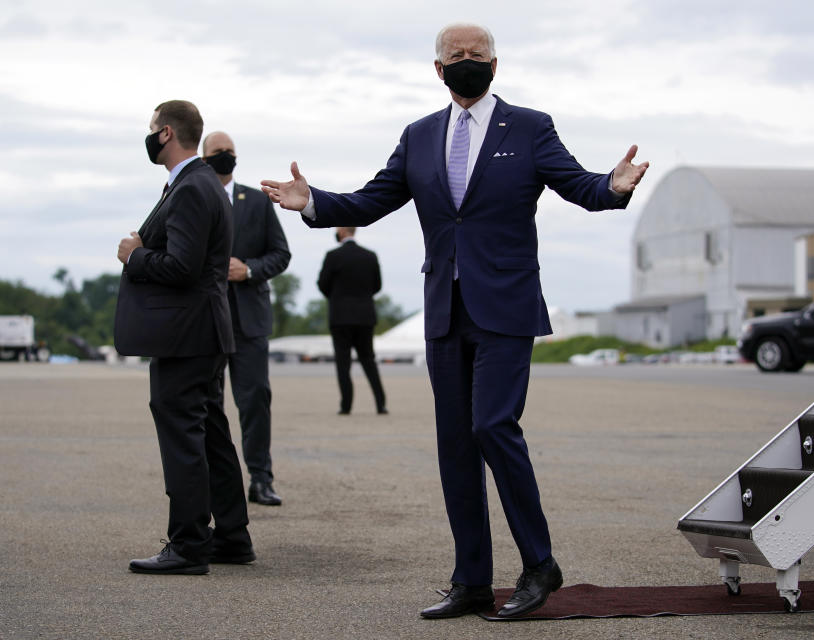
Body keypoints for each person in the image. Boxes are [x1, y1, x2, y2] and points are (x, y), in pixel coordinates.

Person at [261, 23, 648, 618]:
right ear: (437, 69)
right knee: (456, 447)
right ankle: (471, 580)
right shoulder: (418, 136)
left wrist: (612, 186)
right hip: (445, 310)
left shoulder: (530, 127)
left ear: (496, 64)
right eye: (455, 56)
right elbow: (371, 200)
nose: (467, 62)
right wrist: (312, 202)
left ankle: (540, 565)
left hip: (506, 308)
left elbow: (578, 185)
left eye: (478, 55)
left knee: (493, 426)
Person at [115, 100, 254, 575]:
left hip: (187, 335)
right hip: (205, 332)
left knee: (182, 433)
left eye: (152, 128)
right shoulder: (202, 184)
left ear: (167, 132)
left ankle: (189, 544)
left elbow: (181, 267)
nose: (150, 135)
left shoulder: (192, 187)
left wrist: (134, 255)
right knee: (211, 432)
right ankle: (232, 537)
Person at [202, 131, 291, 506]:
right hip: (205, 319)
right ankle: (212, 480)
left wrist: (249, 270)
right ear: (203, 158)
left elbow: (280, 254)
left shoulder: (256, 201)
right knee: (208, 403)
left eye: (230, 152)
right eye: (217, 152)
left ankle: (260, 478)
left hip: (249, 319)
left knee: (255, 400)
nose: (225, 157)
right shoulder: (195, 197)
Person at [318, 227, 388, 416]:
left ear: (341, 231)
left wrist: (337, 297)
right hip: (365, 316)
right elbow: (377, 285)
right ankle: (380, 404)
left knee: (343, 363)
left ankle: (346, 405)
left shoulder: (333, 256)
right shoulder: (370, 256)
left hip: (340, 317)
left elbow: (322, 284)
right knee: (368, 360)